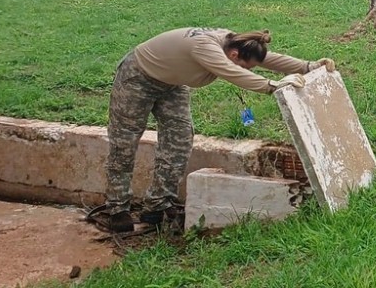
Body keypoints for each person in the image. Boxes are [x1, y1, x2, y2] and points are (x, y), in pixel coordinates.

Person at [97, 27, 336, 233]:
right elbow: (233, 72)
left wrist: (308, 66)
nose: (250, 71)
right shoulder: (206, 47)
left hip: (171, 84)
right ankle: (117, 208)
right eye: (247, 66)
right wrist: (272, 86)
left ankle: (157, 205)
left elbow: (267, 59)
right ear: (234, 55)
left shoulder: (235, 43)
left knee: (179, 140)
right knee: (124, 143)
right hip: (138, 77)